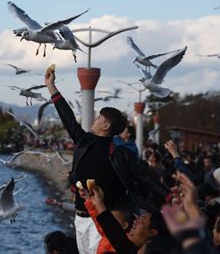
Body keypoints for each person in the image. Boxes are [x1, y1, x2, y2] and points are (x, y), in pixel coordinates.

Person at [45, 66, 171, 254]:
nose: (94, 119)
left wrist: (169, 196)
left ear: (106, 124)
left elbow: (145, 177)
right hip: (80, 216)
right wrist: (51, 87)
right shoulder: (83, 141)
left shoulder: (121, 154)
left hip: (106, 218)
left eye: (99, 117)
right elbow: (68, 118)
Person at [78, 182, 173, 254]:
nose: (136, 221)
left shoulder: (129, 247)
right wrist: (94, 202)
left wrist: (98, 203)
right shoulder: (125, 244)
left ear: (152, 232)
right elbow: (110, 229)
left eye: (142, 220)